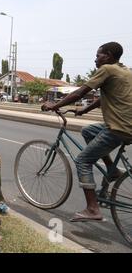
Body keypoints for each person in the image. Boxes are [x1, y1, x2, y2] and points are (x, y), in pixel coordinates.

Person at [42, 42, 132, 222]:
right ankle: (111, 170)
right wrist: (83, 111)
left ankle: (92, 209)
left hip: (118, 128)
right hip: (126, 126)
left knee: (82, 160)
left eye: (98, 55)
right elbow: (104, 98)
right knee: (88, 130)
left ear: (108, 56)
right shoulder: (125, 71)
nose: (95, 59)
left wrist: (55, 105)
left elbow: (80, 93)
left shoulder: (106, 69)